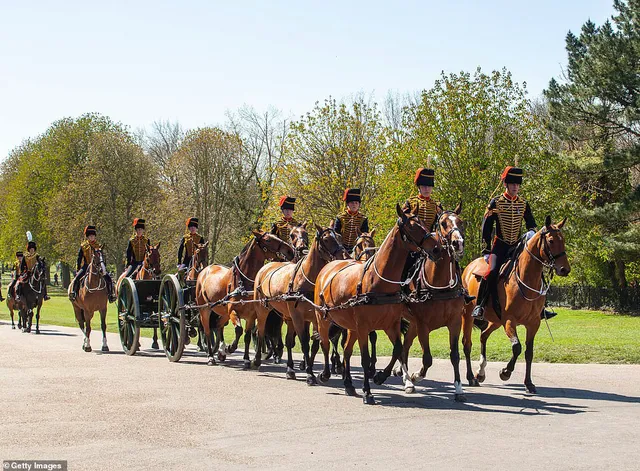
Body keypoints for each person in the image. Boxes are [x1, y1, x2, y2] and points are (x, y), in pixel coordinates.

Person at [472, 166, 555, 320]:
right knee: (491, 272)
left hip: (518, 246)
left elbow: (531, 223)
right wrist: (486, 250)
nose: (515, 187)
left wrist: (531, 231)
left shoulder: (523, 203)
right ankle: (480, 305)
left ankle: (541, 307)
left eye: (517, 184)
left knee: (536, 270)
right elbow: (486, 228)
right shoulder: (496, 202)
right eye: (512, 184)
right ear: (506, 184)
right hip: (500, 246)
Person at [69, 225, 116, 303]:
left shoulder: (98, 246)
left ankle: (111, 295)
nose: (92, 237)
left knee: (108, 278)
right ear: (87, 237)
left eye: (93, 236)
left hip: (97, 266)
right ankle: (74, 293)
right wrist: (78, 269)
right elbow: (79, 258)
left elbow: (102, 258)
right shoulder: (83, 246)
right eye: (90, 236)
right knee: (77, 278)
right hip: (86, 266)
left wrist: (103, 266)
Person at [333, 188, 369, 253]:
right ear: (348, 204)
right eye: (352, 203)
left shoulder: (363, 218)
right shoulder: (340, 217)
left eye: (356, 203)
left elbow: (365, 233)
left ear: (359, 205)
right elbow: (336, 233)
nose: (354, 205)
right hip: (341, 247)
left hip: (357, 247)